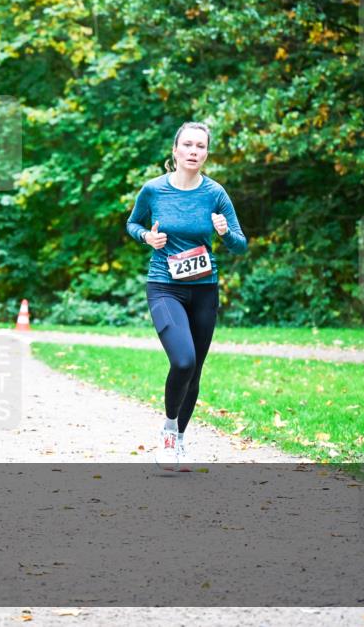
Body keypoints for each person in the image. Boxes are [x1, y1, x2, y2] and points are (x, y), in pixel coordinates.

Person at [126, 122, 247, 471]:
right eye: (188, 145)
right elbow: (132, 224)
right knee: (183, 360)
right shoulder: (153, 190)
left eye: (201, 146)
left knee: (195, 371)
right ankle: (167, 430)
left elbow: (240, 245)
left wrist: (225, 233)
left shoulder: (215, 193)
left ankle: (180, 439)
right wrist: (146, 238)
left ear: (207, 153)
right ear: (176, 150)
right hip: (164, 285)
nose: (195, 151)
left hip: (204, 289)